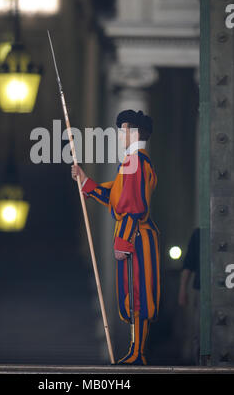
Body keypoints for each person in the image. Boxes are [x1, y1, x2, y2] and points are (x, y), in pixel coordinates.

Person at [71, 109, 160, 365]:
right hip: (135, 236)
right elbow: (115, 197)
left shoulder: (137, 162)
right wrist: (86, 181)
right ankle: (135, 349)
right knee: (132, 295)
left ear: (135, 133)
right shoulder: (131, 161)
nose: (120, 135)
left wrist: (123, 241)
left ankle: (138, 352)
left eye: (123, 130)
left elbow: (134, 206)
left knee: (138, 295)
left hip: (136, 237)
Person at [178, 227, 200, 365]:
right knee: (199, 332)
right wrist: (182, 289)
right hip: (202, 290)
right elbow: (189, 263)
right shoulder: (199, 234)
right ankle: (200, 366)